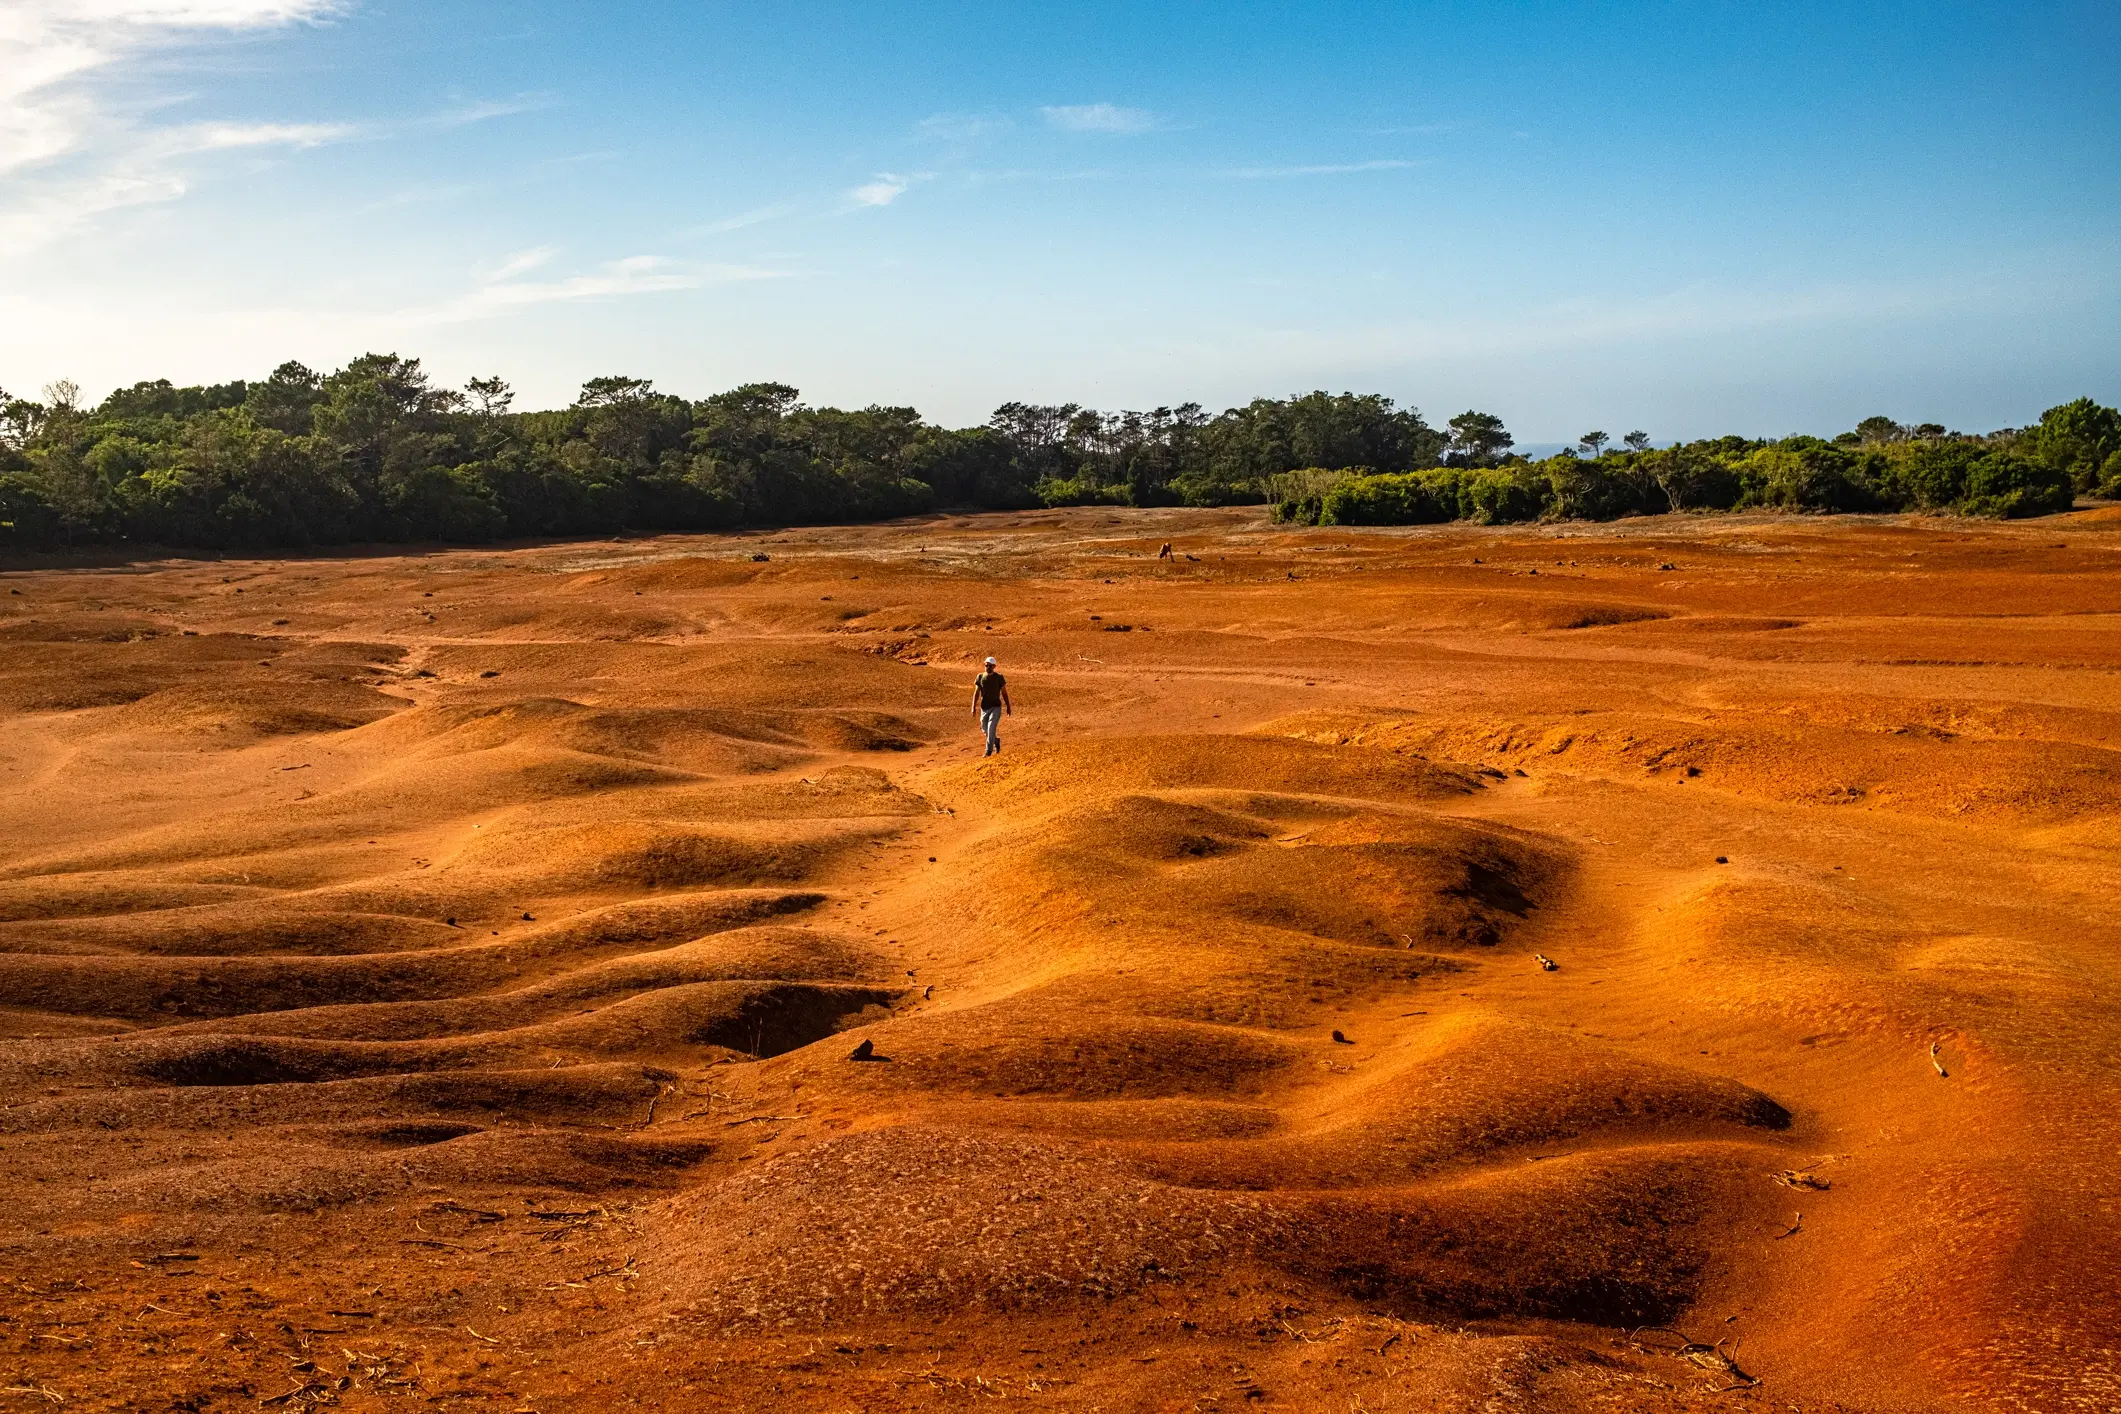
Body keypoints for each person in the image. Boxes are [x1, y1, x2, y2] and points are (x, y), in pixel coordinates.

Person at [971, 655, 1011, 757]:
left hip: (995, 707)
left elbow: (1004, 693)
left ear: (994, 666)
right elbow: (976, 693)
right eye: (986, 665)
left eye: (989, 666)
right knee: (985, 729)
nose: (987, 667)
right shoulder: (980, 677)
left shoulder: (999, 678)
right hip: (984, 708)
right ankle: (996, 741)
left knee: (991, 728)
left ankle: (988, 751)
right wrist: (973, 707)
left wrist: (1008, 706)